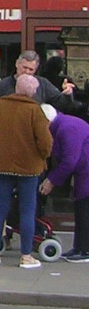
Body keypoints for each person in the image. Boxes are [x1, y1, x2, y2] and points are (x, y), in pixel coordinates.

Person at [0, 73, 53, 268]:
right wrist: (43, 156)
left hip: (0, 166)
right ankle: (25, 256)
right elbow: (45, 143)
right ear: (31, 90)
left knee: (0, 209)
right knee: (27, 210)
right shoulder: (34, 110)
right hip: (28, 169)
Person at [38, 104, 89, 262]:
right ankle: (80, 247)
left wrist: (51, 180)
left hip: (86, 171)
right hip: (84, 171)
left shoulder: (67, 128)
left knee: (84, 208)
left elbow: (69, 161)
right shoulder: (64, 126)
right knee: (81, 208)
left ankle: (84, 250)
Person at [0, 50, 75, 113]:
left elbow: (60, 104)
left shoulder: (42, 84)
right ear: (17, 64)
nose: (27, 72)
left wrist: (67, 94)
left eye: (31, 69)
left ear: (36, 69)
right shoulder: (2, 85)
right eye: (24, 67)